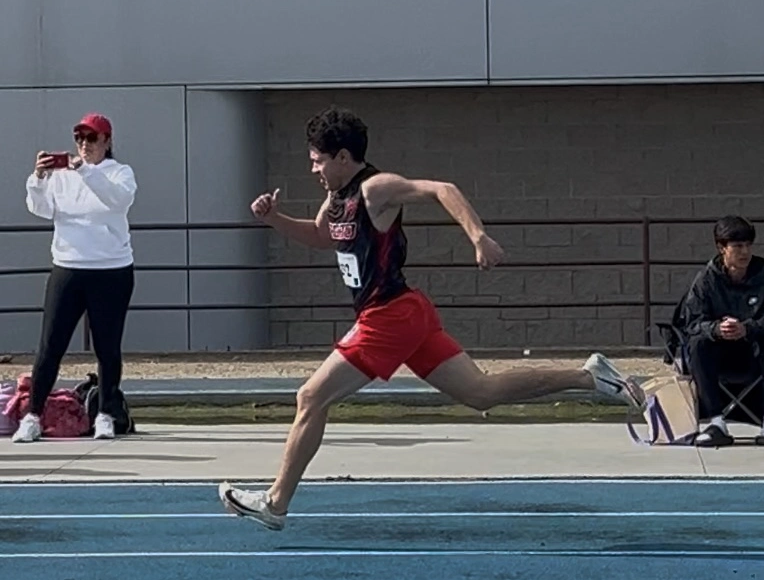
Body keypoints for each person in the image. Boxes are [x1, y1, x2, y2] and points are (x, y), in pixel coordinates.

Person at [219, 106, 641, 528]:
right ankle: (591, 377)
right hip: (404, 313)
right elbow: (319, 236)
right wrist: (273, 218)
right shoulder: (336, 197)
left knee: (311, 397)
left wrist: (478, 237)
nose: (313, 169)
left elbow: (444, 189)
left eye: (317, 160)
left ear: (343, 157)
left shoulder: (375, 189)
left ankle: (275, 503)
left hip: (390, 316)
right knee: (482, 392)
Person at [13, 112, 137, 443]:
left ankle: (106, 413)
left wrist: (83, 171)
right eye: (79, 139)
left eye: (92, 139)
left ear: (107, 142)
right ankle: (34, 414)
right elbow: (41, 209)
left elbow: (116, 201)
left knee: (107, 346)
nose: (84, 145)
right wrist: (38, 179)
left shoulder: (119, 174)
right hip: (68, 266)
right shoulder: (62, 175)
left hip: (111, 270)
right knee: (50, 344)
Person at [679, 214, 764, 449]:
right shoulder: (705, 280)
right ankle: (716, 424)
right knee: (697, 343)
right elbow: (692, 323)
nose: (744, 252)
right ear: (721, 248)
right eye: (737, 246)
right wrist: (717, 329)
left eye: (747, 245)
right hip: (718, 357)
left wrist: (747, 328)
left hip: (754, 355)